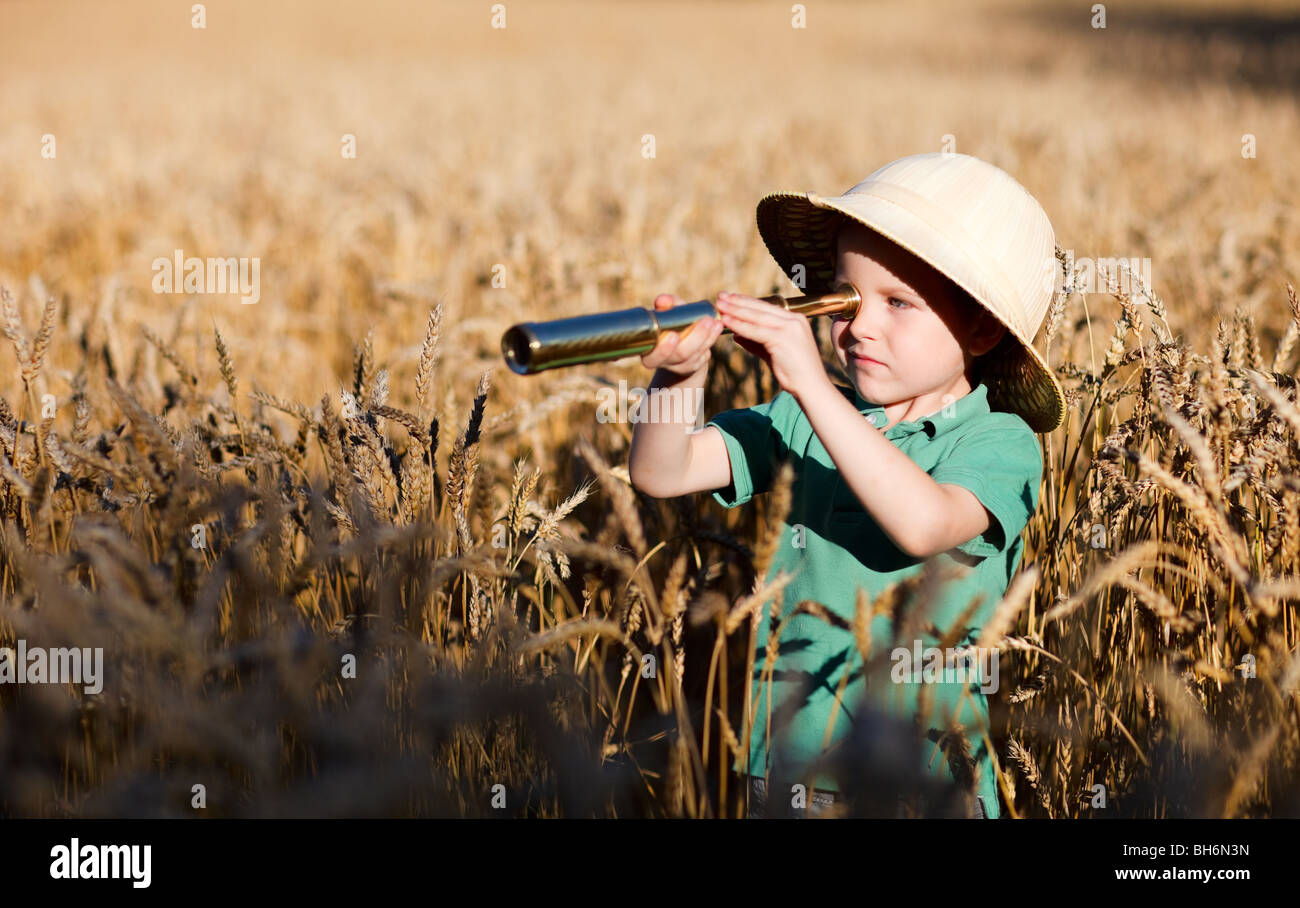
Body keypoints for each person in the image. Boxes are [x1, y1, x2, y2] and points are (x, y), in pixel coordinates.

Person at [628, 152, 1065, 819]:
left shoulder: (998, 443)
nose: (858, 325)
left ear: (981, 327)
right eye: (845, 298)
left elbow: (923, 523)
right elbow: (662, 473)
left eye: (897, 304)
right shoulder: (799, 418)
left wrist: (807, 382)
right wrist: (678, 377)